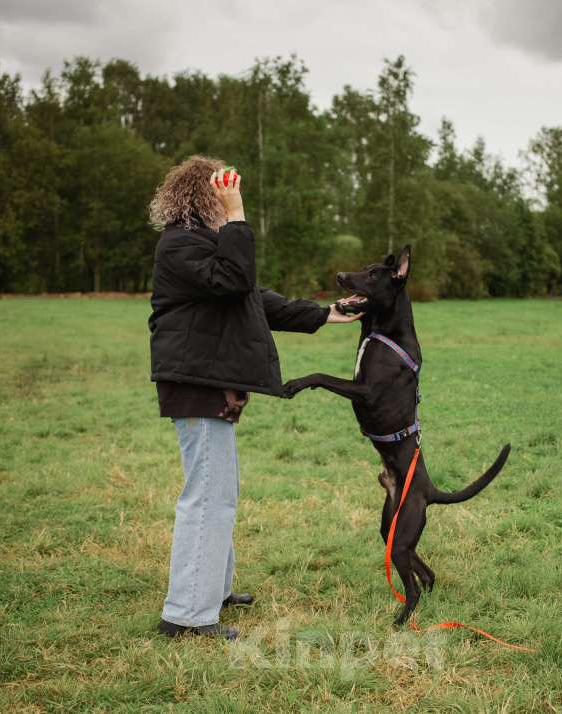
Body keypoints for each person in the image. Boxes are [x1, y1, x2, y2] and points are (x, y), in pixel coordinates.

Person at [147, 155, 360, 641]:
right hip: (196, 384)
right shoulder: (179, 244)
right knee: (207, 498)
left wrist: (325, 314)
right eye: (220, 194)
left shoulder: (200, 246)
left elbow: (254, 298)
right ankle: (186, 616)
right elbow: (237, 279)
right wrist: (237, 216)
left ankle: (211, 592)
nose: (229, 200)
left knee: (220, 492)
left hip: (206, 384)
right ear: (205, 197)